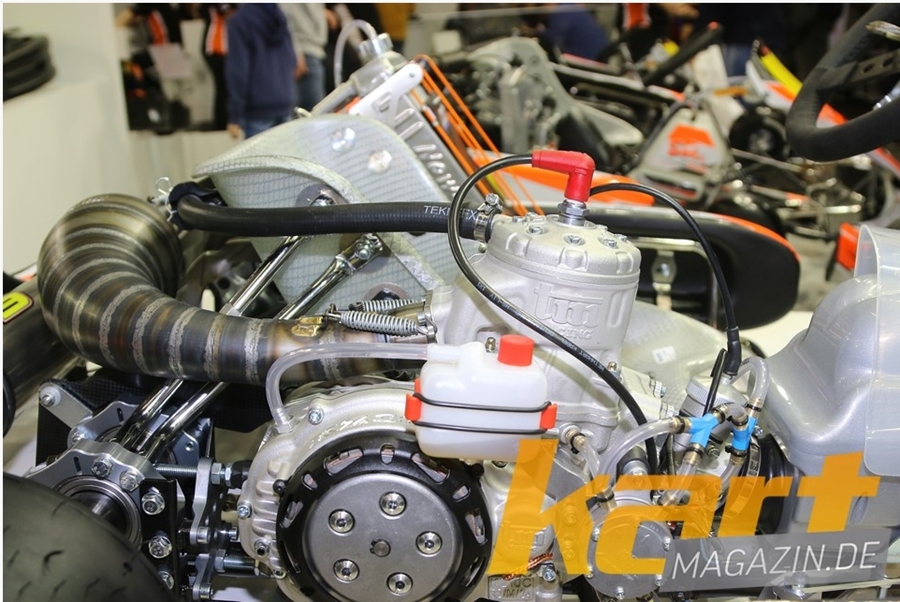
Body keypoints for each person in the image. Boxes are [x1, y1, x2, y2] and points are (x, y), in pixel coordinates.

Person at [225, 4, 297, 139]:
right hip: (285, 103)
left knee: (260, 153)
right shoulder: (279, 17)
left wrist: (235, 115)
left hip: (257, 109)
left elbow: (238, 71)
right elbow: (292, 59)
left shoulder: (239, 21)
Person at [280, 3, 329, 112]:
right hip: (302, 55)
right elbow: (282, 12)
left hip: (313, 50)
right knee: (313, 116)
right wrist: (295, 50)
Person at [202, 4, 235, 130]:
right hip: (216, 47)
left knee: (225, 87)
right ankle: (221, 123)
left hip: (224, 48)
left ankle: (224, 122)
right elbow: (228, 12)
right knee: (223, 87)